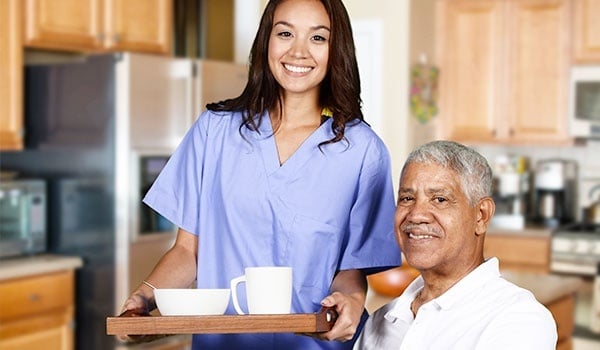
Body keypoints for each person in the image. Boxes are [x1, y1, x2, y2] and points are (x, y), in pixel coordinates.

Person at [118, 0, 401, 349]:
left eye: (318, 38)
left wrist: (353, 303)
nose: (298, 51)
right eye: (285, 33)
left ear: (336, 50)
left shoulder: (362, 150)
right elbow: (188, 252)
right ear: (266, 41)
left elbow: (351, 270)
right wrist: (143, 299)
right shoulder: (214, 132)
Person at [354, 140, 558, 349]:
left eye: (440, 199)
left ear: (481, 216)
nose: (416, 215)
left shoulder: (519, 319)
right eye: (407, 198)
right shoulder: (378, 323)